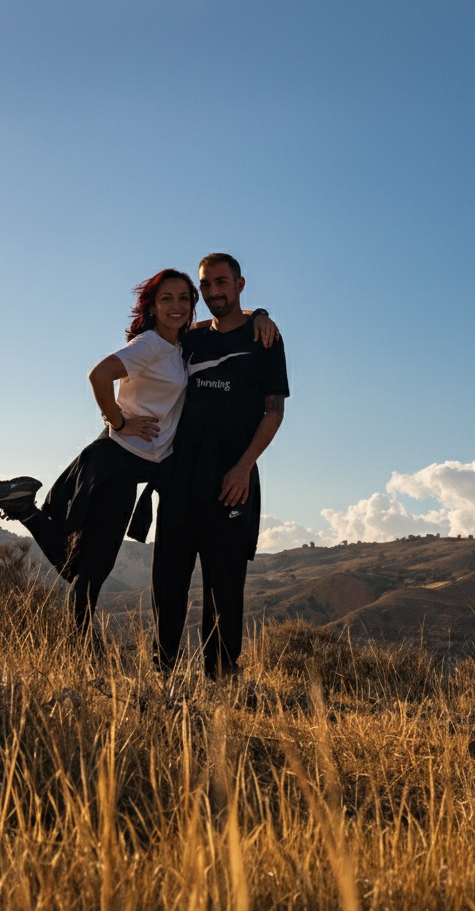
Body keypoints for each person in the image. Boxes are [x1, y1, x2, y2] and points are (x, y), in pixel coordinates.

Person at [0, 268, 274, 637]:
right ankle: (29, 517)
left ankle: (26, 511)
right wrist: (118, 421)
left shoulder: (179, 344)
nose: (176, 306)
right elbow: (99, 375)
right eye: (167, 299)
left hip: (135, 465)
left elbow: (226, 318)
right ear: (152, 305)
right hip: (117, 459)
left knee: (85, 565)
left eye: (184, 299)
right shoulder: (149, 345)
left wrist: (259, 314)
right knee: (89, 570)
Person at [152, 253, 289, 678]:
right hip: (181, 471)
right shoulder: (190, 337)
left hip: (233, 474)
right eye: (206, 285)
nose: (214, 292)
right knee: (168, 576)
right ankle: (164, 671)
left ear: (240, 284)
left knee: (224, 582)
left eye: (221, 283)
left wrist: (242, 467)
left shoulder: (263, 338)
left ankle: (222, 674)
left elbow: (274, 412)